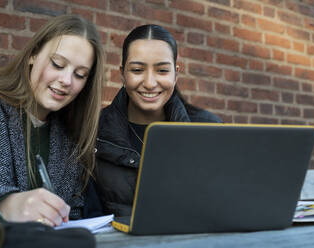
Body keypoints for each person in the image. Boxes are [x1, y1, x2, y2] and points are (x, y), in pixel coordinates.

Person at [0, 14, 104, 226]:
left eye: (80, 75)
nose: (66, 81)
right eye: (58, 64)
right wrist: (2, 206)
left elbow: (74, 216)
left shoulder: (69, 139)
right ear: (33, 55)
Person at [95, 24, 222, 216]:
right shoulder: (95, 131)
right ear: (122, 73)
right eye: (137, 70)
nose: (149, 83)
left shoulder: (208, 128)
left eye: (162, 71)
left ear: (176, 74)